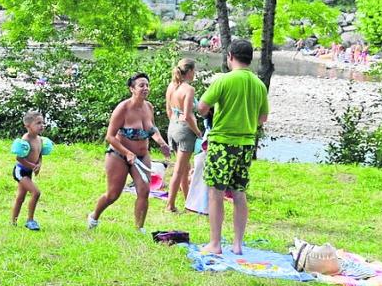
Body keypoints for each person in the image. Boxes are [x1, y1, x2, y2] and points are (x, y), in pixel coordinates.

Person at [197, 39, 269, 255]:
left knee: (216, 192)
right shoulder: (259, 84)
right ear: (250, 58)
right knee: (239, 193)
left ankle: (215, 244)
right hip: (246, 144)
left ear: (230, 56)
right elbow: (263, 118)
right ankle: (238, 245)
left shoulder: (224, 80)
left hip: (222, 143)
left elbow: (202, 107)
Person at [88, 73, 172, 233]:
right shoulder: (123, 108)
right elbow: (110, 137)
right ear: (132, 89)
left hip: (142, 156)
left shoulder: (149, 107)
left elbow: (152, 129)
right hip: (118, 155)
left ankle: (139, 228)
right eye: (141, 85)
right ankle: (94, 216)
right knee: (113, 194)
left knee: (144, 191)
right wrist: (127, 152)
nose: (145, 88)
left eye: (147, 85)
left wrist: (161, 142)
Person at [164, 59, 202, 213]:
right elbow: (187, 115)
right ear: (190, 71)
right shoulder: (188, 89)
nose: (195, 74)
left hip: (172, 127)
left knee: (185, 168)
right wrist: (198, 132)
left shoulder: (172, 86)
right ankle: (170, 205)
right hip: (185, 130)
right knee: (179, 170)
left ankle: (188, 202)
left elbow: (168, 110)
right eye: (195, 71)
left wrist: (175, 125)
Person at [11, 110, 46, 231]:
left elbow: (40, 154)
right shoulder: (25, 140)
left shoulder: (40, 140)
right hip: (20, 171)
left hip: (29, 171)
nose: (42, 125)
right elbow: (19, 158)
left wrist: (39, 165)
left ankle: (13, 222)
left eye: (43, 122)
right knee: (36, 193)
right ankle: (30, 221)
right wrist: (32, 165)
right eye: (38, 123)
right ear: (28, 126)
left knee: (21, 197)